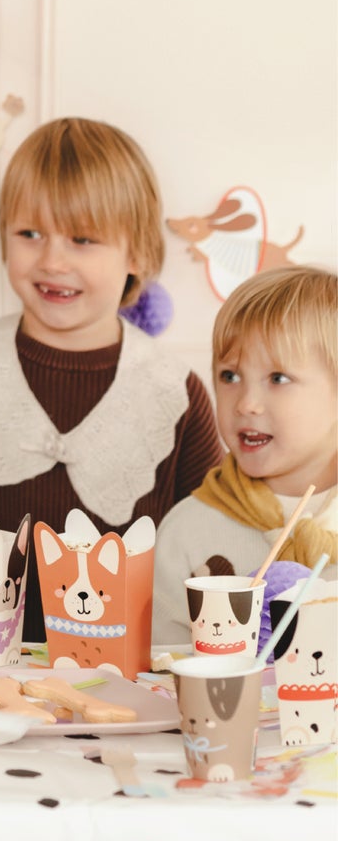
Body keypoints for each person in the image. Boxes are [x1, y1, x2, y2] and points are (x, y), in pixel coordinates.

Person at [0, 117, 222, 641]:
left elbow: (209, 553)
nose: (52, 260)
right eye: (30, 234)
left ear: (138, 254)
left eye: (82, 239)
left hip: (129, 678)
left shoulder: (175, 391)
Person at [152, 267, 338, 647]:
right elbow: (162, 670)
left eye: (278, 378)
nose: (247, 404)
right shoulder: (187, 531)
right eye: (229, 376)